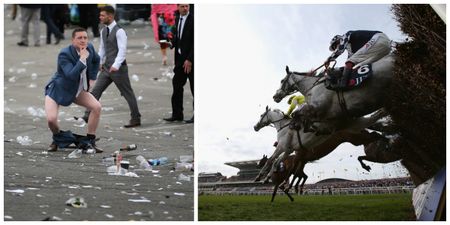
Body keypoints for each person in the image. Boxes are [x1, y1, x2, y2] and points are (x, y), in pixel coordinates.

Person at [76, 5, 141, 128]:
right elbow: (102, 49)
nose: (100, 17)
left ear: (110, 16)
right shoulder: (103, 31)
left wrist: (116, 65)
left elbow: (122, 50)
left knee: (127, 93)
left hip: (119, 69)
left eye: (102, 15)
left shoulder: (120, 31)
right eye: (100, 15)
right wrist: (99, 62)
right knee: (95, 91)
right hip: (106, 68)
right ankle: (86, 115)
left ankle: (136, 118)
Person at [44, 28, 102, 152]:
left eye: (85, 38)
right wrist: (82, 59)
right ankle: (57, 139)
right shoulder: (64, 54)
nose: (83, 40)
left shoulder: (90, 48)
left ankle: (90, 140)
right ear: (72, 40)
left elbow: (97, 60)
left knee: (96, 107)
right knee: (51, 119)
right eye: (79, 38)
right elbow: (70, 75)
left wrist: (92, 78)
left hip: (77, 89)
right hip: (59, 89)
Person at [325, 30, 391, 88]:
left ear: (338, 40)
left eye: (335, 46)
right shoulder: (351, 49)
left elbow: (341, 49)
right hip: (386, 48)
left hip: (378, 38)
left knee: (350, 61)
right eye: (334, 48)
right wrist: (340, 70)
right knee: (360, 65)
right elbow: (349, 64)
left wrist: (329, 59)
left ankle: (343, 84)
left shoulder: (346, 35)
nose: (336, 48)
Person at [163, 4, 194, 123]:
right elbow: (179, 37)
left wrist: (190, 59)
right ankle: (177, 114)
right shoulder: (177, 18)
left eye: (187, 6)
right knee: (176, 85)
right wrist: (171, 43)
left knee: (194, 88)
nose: (185, 8)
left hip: (191, 61)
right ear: (178, 7)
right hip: (180, 60)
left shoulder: (194, 20)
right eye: (182, 6)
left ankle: (197, 115)